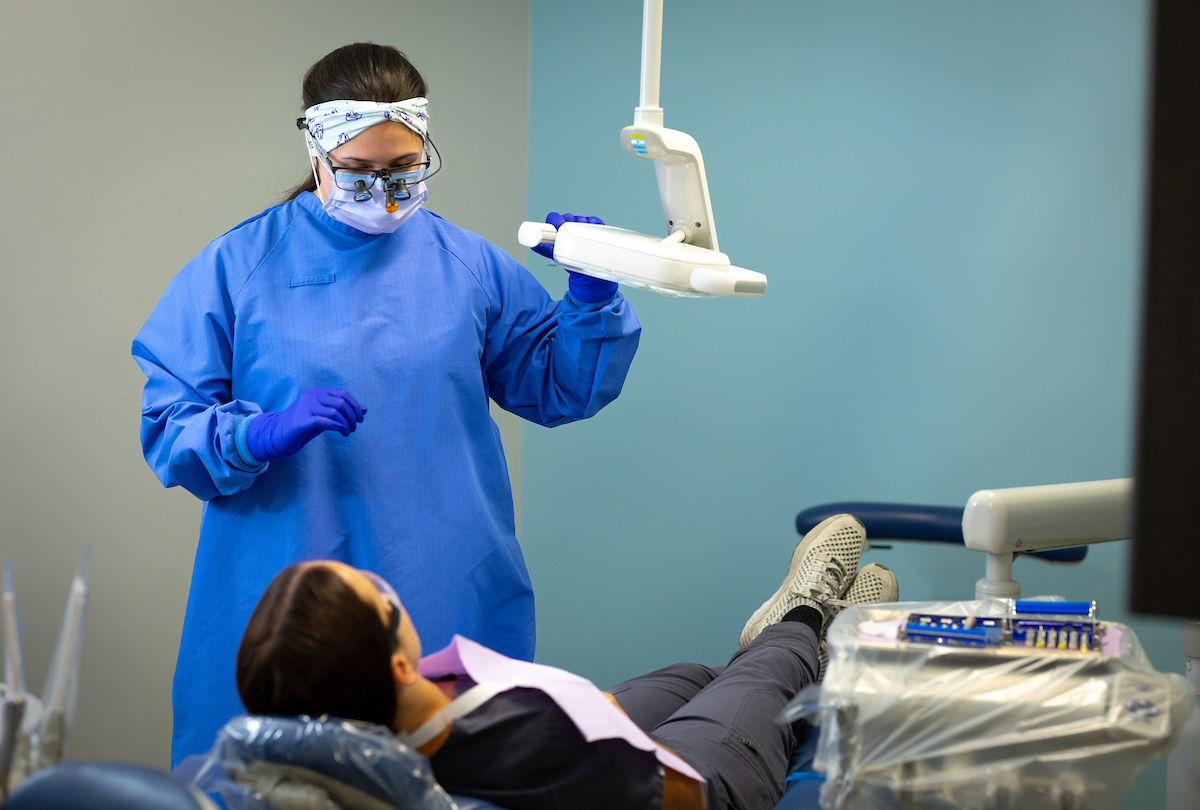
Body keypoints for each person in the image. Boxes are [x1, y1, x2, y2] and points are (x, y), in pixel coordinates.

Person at [131, 42, 642, 765]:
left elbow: (557, 387)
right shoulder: (237, 268)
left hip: (444, 577)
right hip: (288, 594)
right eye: (361, 173)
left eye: (404, 168)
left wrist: (589, 301)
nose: (387, 190)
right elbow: (170, 427)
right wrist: (260, 434)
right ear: (316, 151)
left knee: (456, 776)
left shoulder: (466, 264)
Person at [233, 515, 899, 810]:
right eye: (375, 598)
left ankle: (774, 651)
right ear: (398, 670)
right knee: (764, 676)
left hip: (588, 749)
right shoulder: (528, 737)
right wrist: (593, 733)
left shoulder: (376, 718)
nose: (384, 585)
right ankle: (813, 624)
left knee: (697, 679)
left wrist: (590, 726)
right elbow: (644, 787)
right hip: (689, 787)